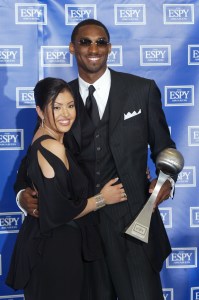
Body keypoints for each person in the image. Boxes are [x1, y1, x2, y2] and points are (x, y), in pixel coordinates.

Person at [14, 19, 177, 300]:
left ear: (109, 48)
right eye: (85, 42)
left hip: (133, 225)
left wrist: (167, 182)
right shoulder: (59, 97)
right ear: (72, 48)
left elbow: (164, 148)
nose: (94, 48)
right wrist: (21, 195)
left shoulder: (142, 90)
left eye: (100, 42)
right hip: (80, 234)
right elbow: (33, 159)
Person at [6, 77, 127, 300]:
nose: (66, 114)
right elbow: (59, 212)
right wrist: (102, 198)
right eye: (57, 107)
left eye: (70, 106)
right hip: (56, 249)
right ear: (41, 112)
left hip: (63, 245)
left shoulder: (49, 139)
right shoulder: (51, 146)